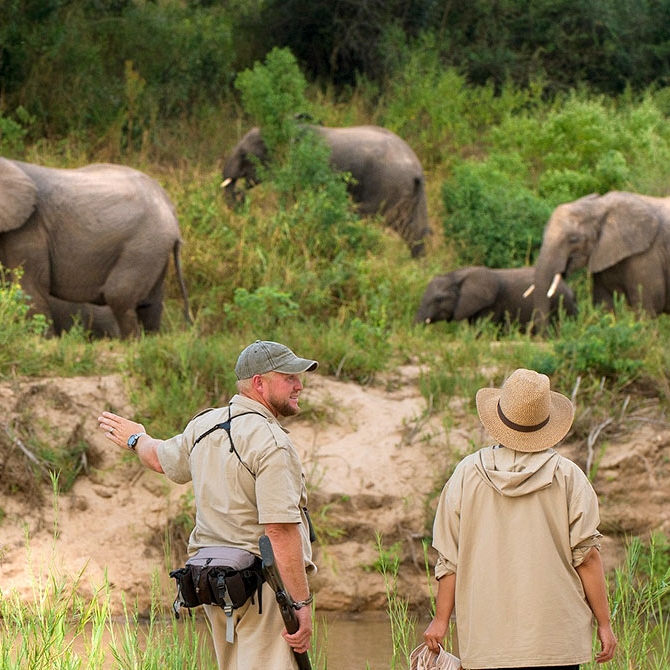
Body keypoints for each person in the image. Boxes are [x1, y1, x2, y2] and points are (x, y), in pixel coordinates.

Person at [98, 339, 319, 670]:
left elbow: (160, 458)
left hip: (217, 587)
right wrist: (301, 603)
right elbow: (280, 529)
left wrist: (137, 438)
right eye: (289, 377)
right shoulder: (273, 443)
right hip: (266, 591)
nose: (299, 385)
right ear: (260, 383)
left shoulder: (204, 426)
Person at [423, 368, 617, 669]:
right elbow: (587, 557)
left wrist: (440, 620)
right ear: (547, 422)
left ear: (498, 419)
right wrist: (604, 623)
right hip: (556, 640)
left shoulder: (466, 473)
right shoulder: (567, 476)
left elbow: (449, 560)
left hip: (488, 642)